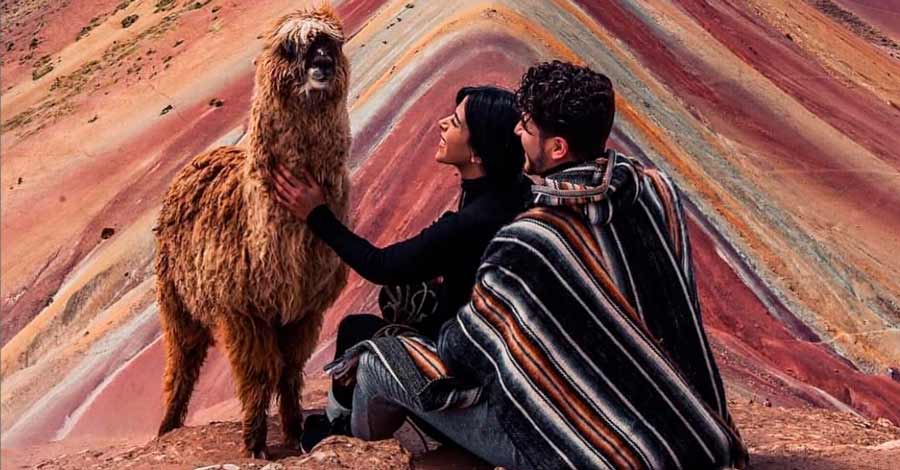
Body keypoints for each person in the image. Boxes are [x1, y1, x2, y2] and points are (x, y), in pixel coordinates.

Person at [326, 60, 748, 469]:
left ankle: (348, 450)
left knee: (380, 362)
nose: (516, 132)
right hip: (695, 434)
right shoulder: (655, 192)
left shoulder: (531, 239)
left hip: (575, 448)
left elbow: (465, 351)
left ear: (557, 147)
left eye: (526, 127)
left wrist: (426, 332)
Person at [272, 85, 531, 451]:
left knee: (357, 332)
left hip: (474, 381)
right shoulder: (516, 191)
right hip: (498, 355)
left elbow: (381, 265)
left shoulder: (475, 220)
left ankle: (345, 435)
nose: (443, 124)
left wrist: (316, 215)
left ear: (477, 152)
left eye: (455, 123)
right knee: (402, 298)